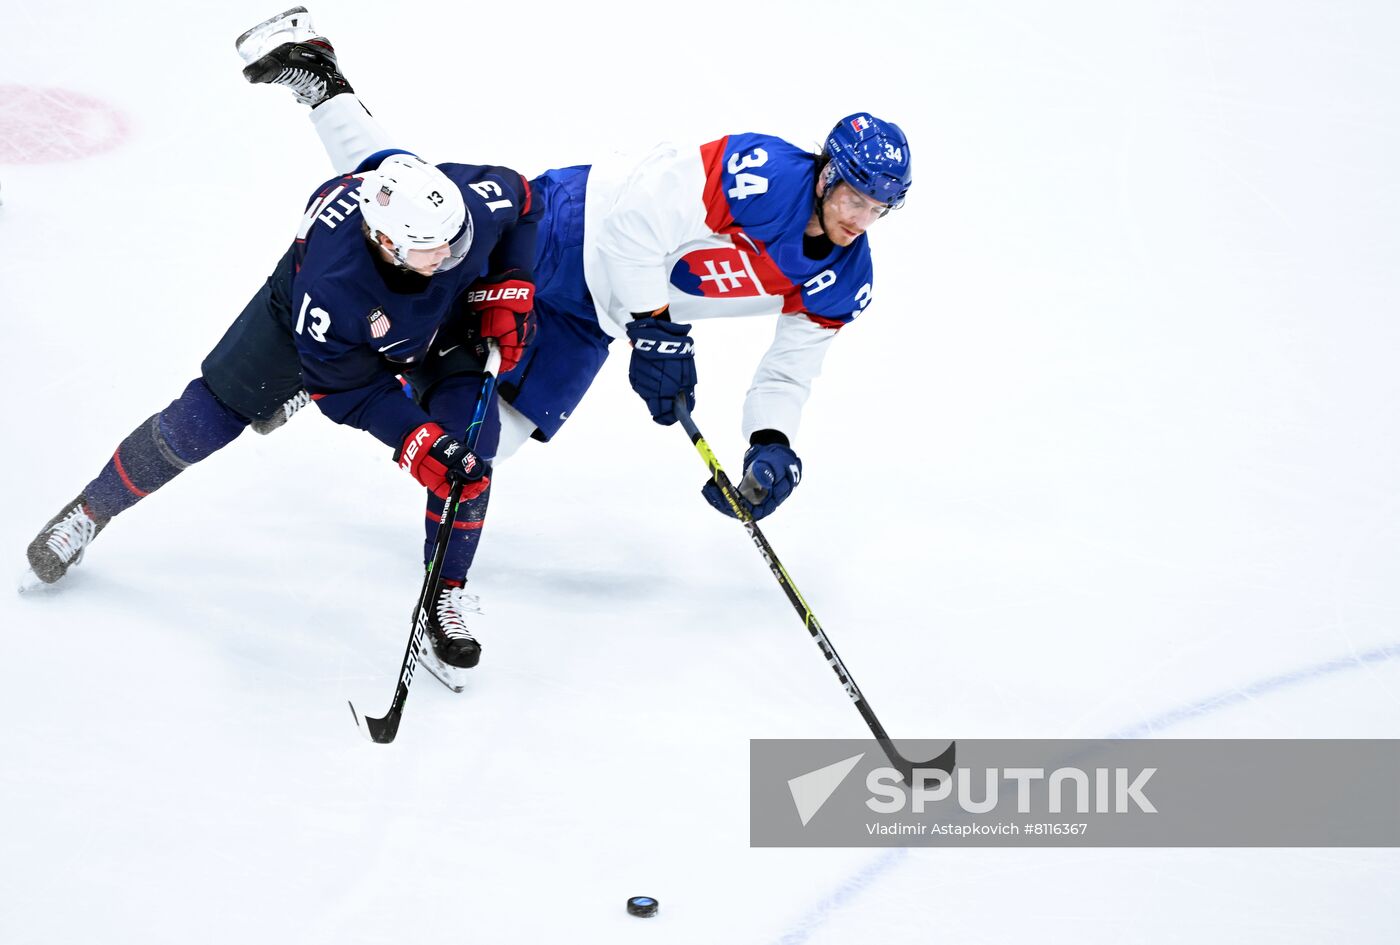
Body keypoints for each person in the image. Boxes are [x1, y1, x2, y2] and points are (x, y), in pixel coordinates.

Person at [236, 8, 913, 537]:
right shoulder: (761, 175)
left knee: (487, 445)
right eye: (855, 196)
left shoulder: (845, 279)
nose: (862, 217)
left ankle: (364, 379)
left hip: (599, 315)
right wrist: (658, 328)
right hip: (571, 225)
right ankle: (321, 78)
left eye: (880, 208)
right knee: (412, 204)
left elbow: (791, 368)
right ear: (827, 173)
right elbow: (638, 221)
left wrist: (771, 437)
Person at [24, 120, 543, 677]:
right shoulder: (331, 288)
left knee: (468, 454)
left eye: (456, 241)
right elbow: (345, 388)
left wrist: (513, 279)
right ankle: (91, 508)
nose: (454, 254)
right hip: (311, 337)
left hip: (441, 325)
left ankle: (445, 594)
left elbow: (525, 199)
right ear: (387, 244)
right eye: (434, 250)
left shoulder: (457, 212)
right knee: (201, 423)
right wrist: (413, 439)